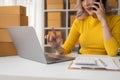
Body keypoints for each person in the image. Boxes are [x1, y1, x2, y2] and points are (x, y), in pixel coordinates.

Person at [46, 0, 120, 56]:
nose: (86, 3)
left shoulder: (116, 20)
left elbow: (112, 52)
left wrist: (103, 21)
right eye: (83, 0)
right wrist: (57, 48)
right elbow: (66, 49)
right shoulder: (79, 21)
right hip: (83, 63)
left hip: (106, 65)